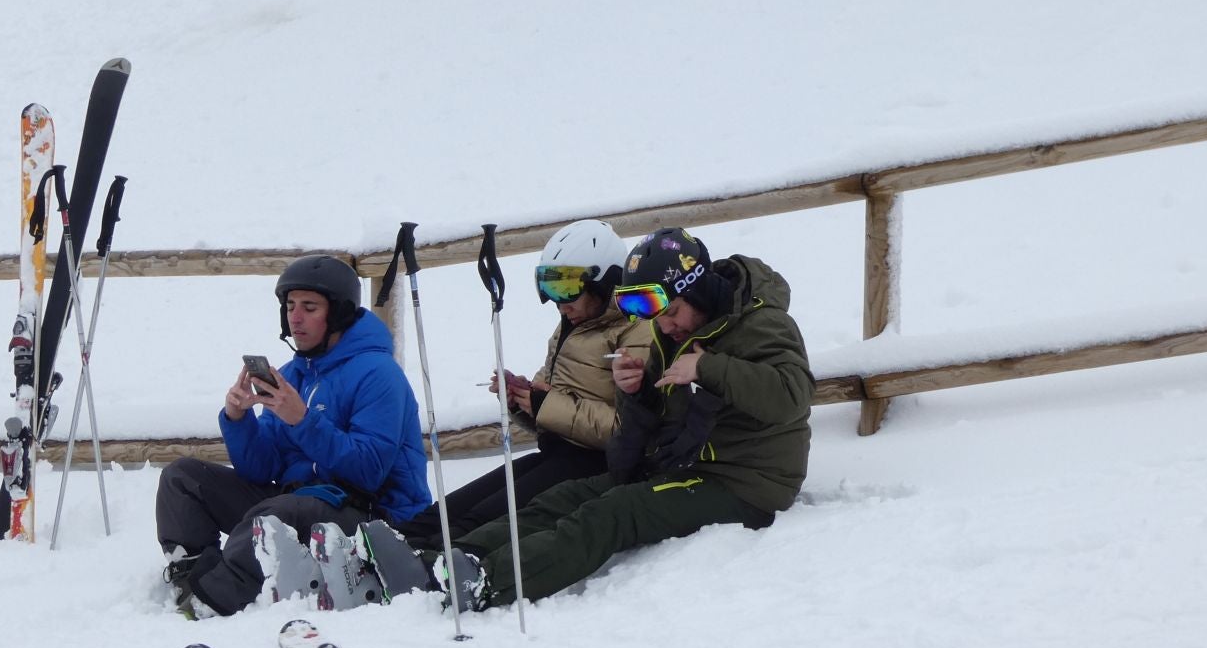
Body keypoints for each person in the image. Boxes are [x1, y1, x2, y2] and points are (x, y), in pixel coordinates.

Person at [440, 226, 812, 610]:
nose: (665, 327)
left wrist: (708, 367)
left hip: (746, 482)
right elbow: (653, 422)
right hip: (681, 463)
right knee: (566, 496)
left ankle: (489, 583)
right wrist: (634, 392)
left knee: (614, 513)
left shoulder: (762, 324)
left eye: (671, 313)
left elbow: (793, 396)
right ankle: (454, 559)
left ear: (696, 289)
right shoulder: (676, 333)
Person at [154, 254, 431, 617]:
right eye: (290, 306)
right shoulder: (294, 374)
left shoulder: (379, 375)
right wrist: (239, 419)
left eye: (309, 307)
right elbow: (260, 469)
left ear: (339, 314)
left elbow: (368, 471)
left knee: (275, 514)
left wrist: (301, 421)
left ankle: (214, 599)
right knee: (183, 478)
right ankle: (191, 574)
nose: (295, 317)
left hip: (371, 514)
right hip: (301, 500)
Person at [395, 219, 647, 546]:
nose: (559, 301)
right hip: (556, 454)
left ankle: (418, 572)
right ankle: (379, 550)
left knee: (479, 520)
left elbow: (629, 430)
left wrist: (544, 404)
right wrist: (522, 400)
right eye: (548, 287)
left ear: (605, 282)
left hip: (594, 468)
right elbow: (552, 409)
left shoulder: (634, 332)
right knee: (445, 512)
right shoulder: (572, 324)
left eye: (567, 287)